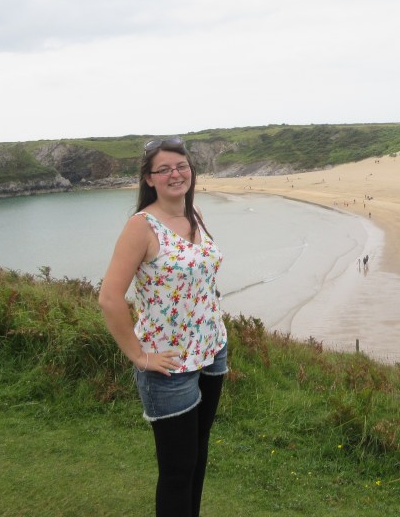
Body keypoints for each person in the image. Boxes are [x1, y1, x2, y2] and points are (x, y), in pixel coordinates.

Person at [99, 137, 227, 517]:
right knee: (176, 471)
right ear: (148, 178)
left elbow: (202, 277)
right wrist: (139, 356)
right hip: (169, 365)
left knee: (198, 455)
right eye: (165, 169)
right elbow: (109, 298)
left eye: (182, 166)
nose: (176, 173)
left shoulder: (196, 214)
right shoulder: (141, 227)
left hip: (212, 351)